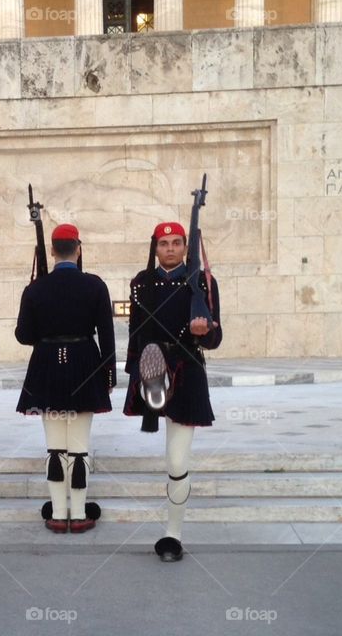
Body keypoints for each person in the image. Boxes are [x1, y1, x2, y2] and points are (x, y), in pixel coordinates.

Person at [122, 222, 222, 562]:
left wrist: (204, 328)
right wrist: (133, 374)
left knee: (177, 461)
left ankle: (173, 534)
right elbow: (136, 331)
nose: (170, 249)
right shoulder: (141, 283)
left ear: (185, 247)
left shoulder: (203, 283)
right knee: (171, 457)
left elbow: (214, 340)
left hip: (187, 370)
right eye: (164, 243)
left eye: (176, 243)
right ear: (156, 246)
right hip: (152, 367)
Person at [15, 224, 116, 534]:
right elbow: (107, 335)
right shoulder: (95, 285)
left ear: (52, 251)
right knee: (79, 447)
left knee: (55, 448)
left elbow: (23, 335)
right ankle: (81, 512)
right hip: (85, 363)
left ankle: (59, 514)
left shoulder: (35, 289)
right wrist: (107, 375)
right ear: (78, 249)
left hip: (47, 366)